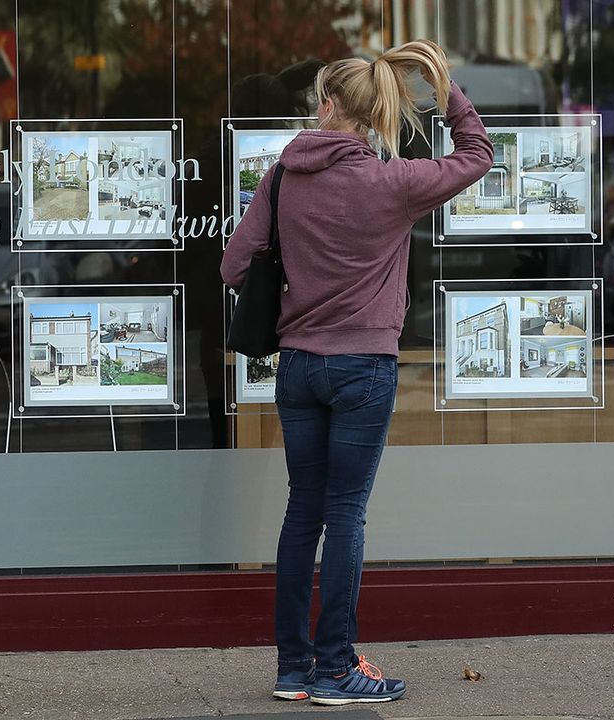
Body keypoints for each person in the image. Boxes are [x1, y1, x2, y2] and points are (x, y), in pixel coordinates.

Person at [221, 40, 493, 706]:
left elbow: (234, 267)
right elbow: (476, 155)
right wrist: (447, 88)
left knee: (300, 515)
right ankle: (338, 668)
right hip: (363, 367)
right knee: (346, 515)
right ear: (374, 116)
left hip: (299, 368)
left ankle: (294, 668)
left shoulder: (282, 175)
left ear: (325, 103)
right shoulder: (391, 183)